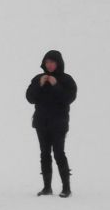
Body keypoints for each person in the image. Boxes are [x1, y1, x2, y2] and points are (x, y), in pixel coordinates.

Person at [25, 49, 77, 197]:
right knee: (44, 154)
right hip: (41, 123)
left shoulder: (67, 80)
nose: (49, 65)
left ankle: (66, 188)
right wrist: (39, 85)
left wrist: (56, 85)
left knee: (59, 153)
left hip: (59, 123)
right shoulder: (38, 78)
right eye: (47, 62)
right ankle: (47, 187)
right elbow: (30, 98)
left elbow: (68, 99)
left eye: (52, 62)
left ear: (58, 63)